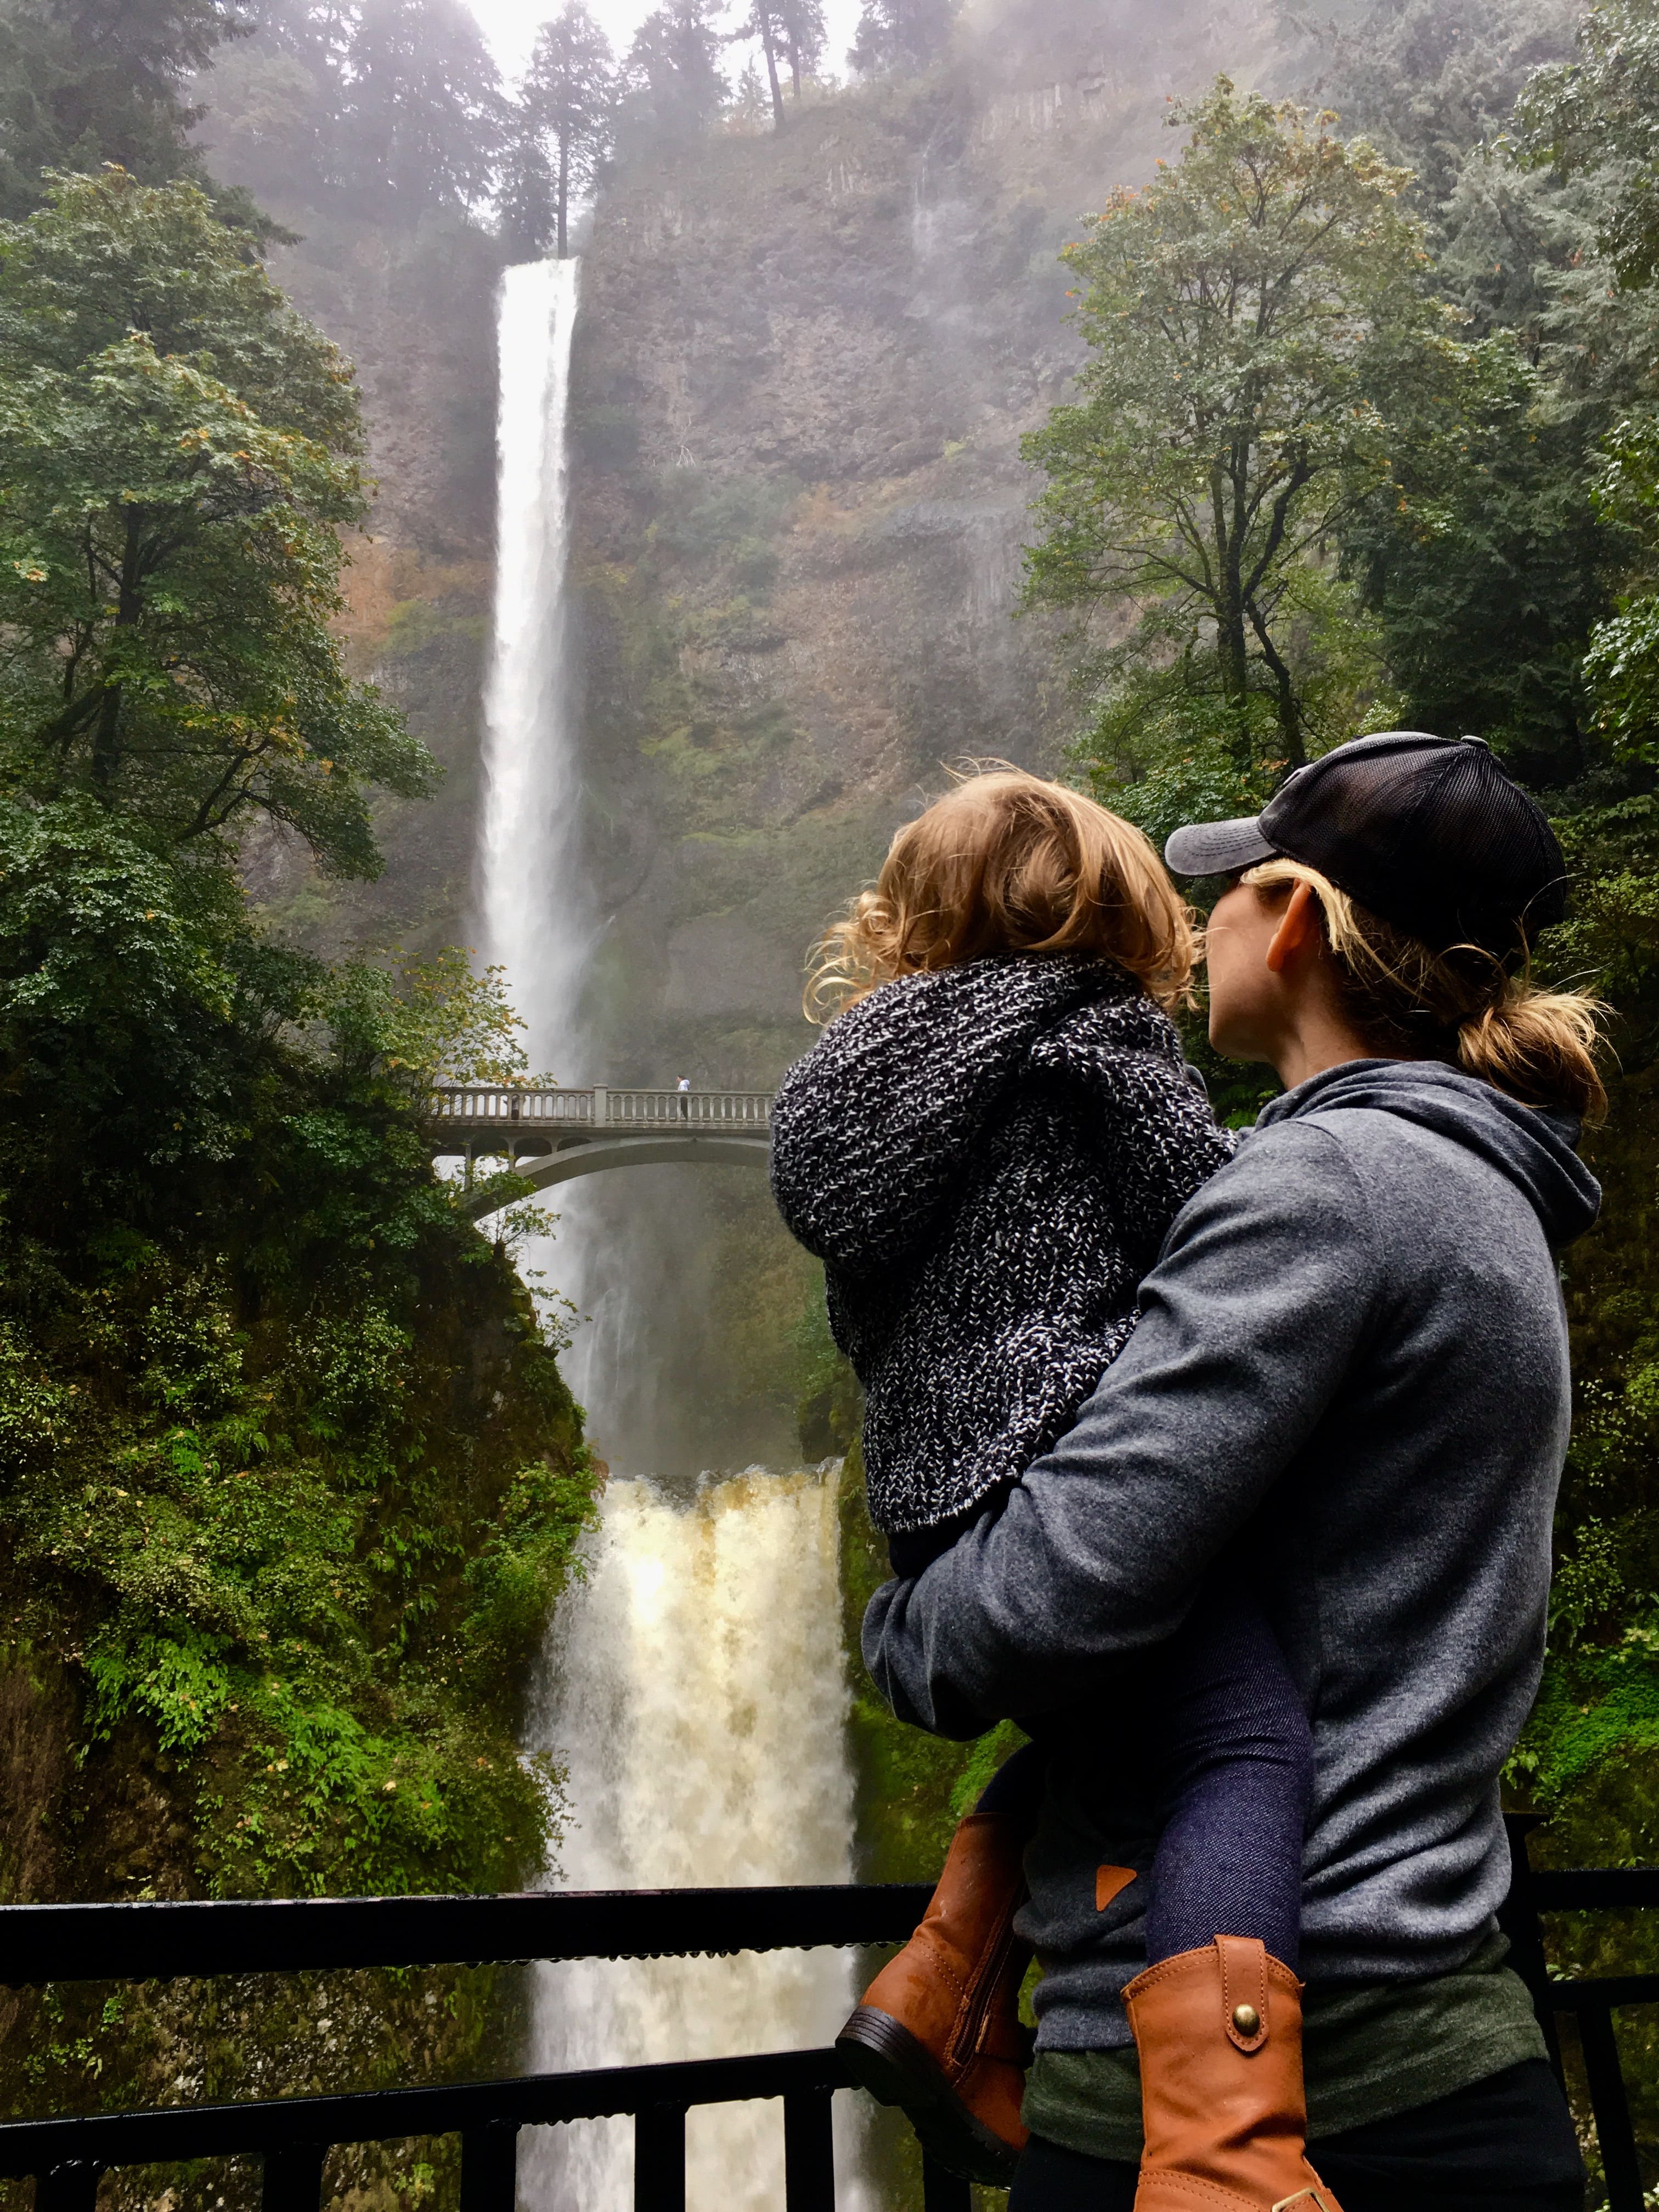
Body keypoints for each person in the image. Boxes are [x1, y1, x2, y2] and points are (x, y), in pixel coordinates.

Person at [862, 732, 1604, 2211]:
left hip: (1256, 2109)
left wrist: (900, 1632)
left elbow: (1053, 1598)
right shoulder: (1485, 1183)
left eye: (1237, 889)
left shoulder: (1321, 1187)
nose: (1201, 930)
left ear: (1302, 924)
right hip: (1438, 2033)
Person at [770, 769, 1323, 2195]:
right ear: (1120, 921)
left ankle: (940, 1980)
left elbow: (863, 1311)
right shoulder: (1092, 1038)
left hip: (932, 1507)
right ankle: (1224, 2156)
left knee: (1086, 1735)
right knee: (1240, 1744)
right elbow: (1213, 1228)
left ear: (909, 923)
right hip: (1072, 1460)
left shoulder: (852, 1090)